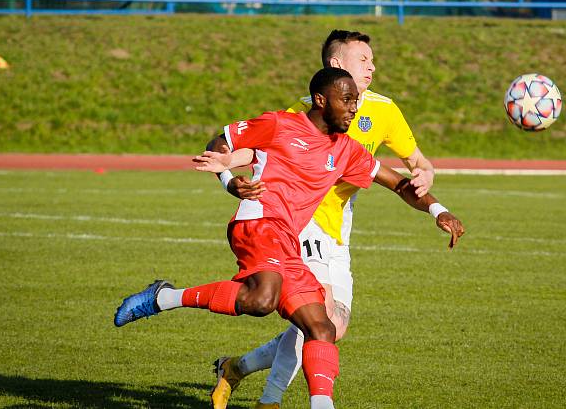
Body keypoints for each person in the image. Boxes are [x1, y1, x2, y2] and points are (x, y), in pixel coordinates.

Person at [114, 67, 464, 409]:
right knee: (262, 299)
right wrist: (229, 179)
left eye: (356, 101)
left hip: (288, 240)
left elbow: (400, 184)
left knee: (321, 328)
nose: (354, 109)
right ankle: (164, 298)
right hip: (259, 221)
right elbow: (221, 142)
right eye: (347, 100)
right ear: (320, 100)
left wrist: (439, 210)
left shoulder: (346, 150)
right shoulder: (280, 123)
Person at [209, 30, 439, 409]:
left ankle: (236, 368)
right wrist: (225, 168)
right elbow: (258, 147)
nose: (372, 66)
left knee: (333, 328)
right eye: (363, 59)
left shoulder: (384, 109)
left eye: (372, 59)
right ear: (336, 66)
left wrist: (427, 176)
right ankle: (271, 400)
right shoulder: (304, 111)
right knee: (318, 319)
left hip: (339, 227)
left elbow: (417, 162)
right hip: (301, 220)